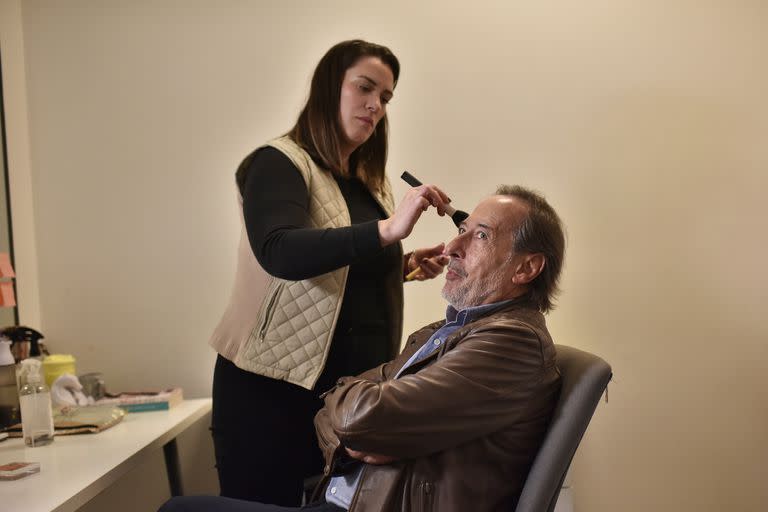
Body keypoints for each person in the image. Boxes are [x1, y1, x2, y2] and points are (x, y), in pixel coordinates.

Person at [162, 184, 566, 512]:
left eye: (479, 235)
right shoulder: (449, 330)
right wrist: (353, 428)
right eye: (461, 229)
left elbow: (363, 418)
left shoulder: (512, 342)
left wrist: (352, 423)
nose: (452, 248)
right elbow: (349, 412)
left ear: (526, 268)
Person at [208, 39, 452, 506]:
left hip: (345, 399)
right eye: (364, 88)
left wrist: (399, 265)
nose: (375, 105)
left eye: (385, 97)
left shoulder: (364, 178)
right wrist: (386, 231)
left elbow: (337, 270)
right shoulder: (277, 162)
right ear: (328, 88)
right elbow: (280, 252)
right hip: (272, 396)